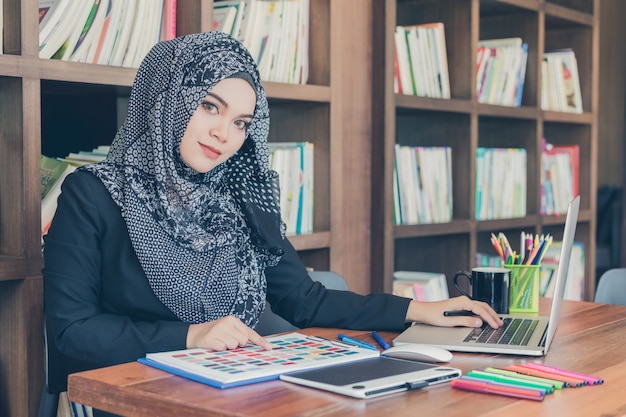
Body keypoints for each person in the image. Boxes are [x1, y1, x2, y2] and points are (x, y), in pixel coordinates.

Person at [43, 31, 502, 411]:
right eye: (209, 106)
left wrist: (415, 311)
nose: (225, 134)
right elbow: (73, 331)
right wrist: (191, 335)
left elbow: (303, 299)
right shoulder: (94, 193)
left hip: (230, 390)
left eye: (242, 122)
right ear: (166, 99)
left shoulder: (244, 191)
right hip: (128, 396)